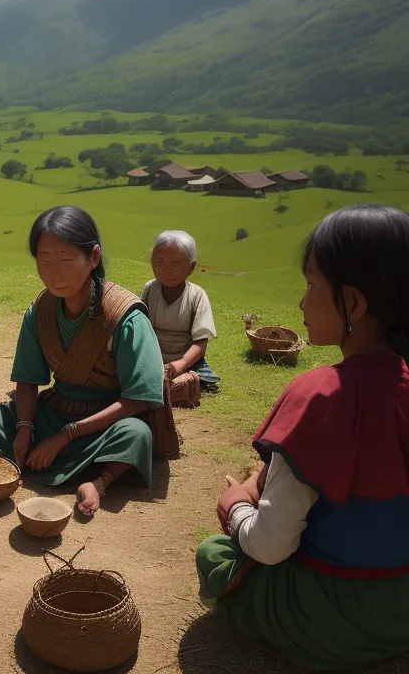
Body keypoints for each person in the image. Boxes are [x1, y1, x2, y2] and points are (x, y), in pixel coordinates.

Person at [196, 204, 409, 671]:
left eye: (312, 285)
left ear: (354, 303)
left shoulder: (320, 394)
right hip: (402, 609)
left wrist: (235, 506)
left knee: (214, 554)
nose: (301, 301)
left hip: (327, 621)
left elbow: (270, 546)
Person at [0, 206, 168, 516]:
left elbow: (139, 399)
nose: (53, 273)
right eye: (44, 262)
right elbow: (28, 380)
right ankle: (38, 456)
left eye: (65, 261)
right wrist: (23, 428)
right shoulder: (41, 311)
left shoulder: (124, 316)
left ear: (94, 258)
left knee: (136, 435)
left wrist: (67, 435)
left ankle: (100, 481)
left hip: (106, 422)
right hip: (56, 411)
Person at [140, 230, 220, 405]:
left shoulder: (197, 295)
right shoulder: (150, 290)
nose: (167, 269)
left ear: (191, 267)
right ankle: (173, 387)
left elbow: (200, 343)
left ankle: (181, 384)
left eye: (176, 263)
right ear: (152, 263)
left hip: (186, 359)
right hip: (153, 357)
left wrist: (180, 364)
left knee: (207, 378)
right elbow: (139, 328)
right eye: (160, 262)